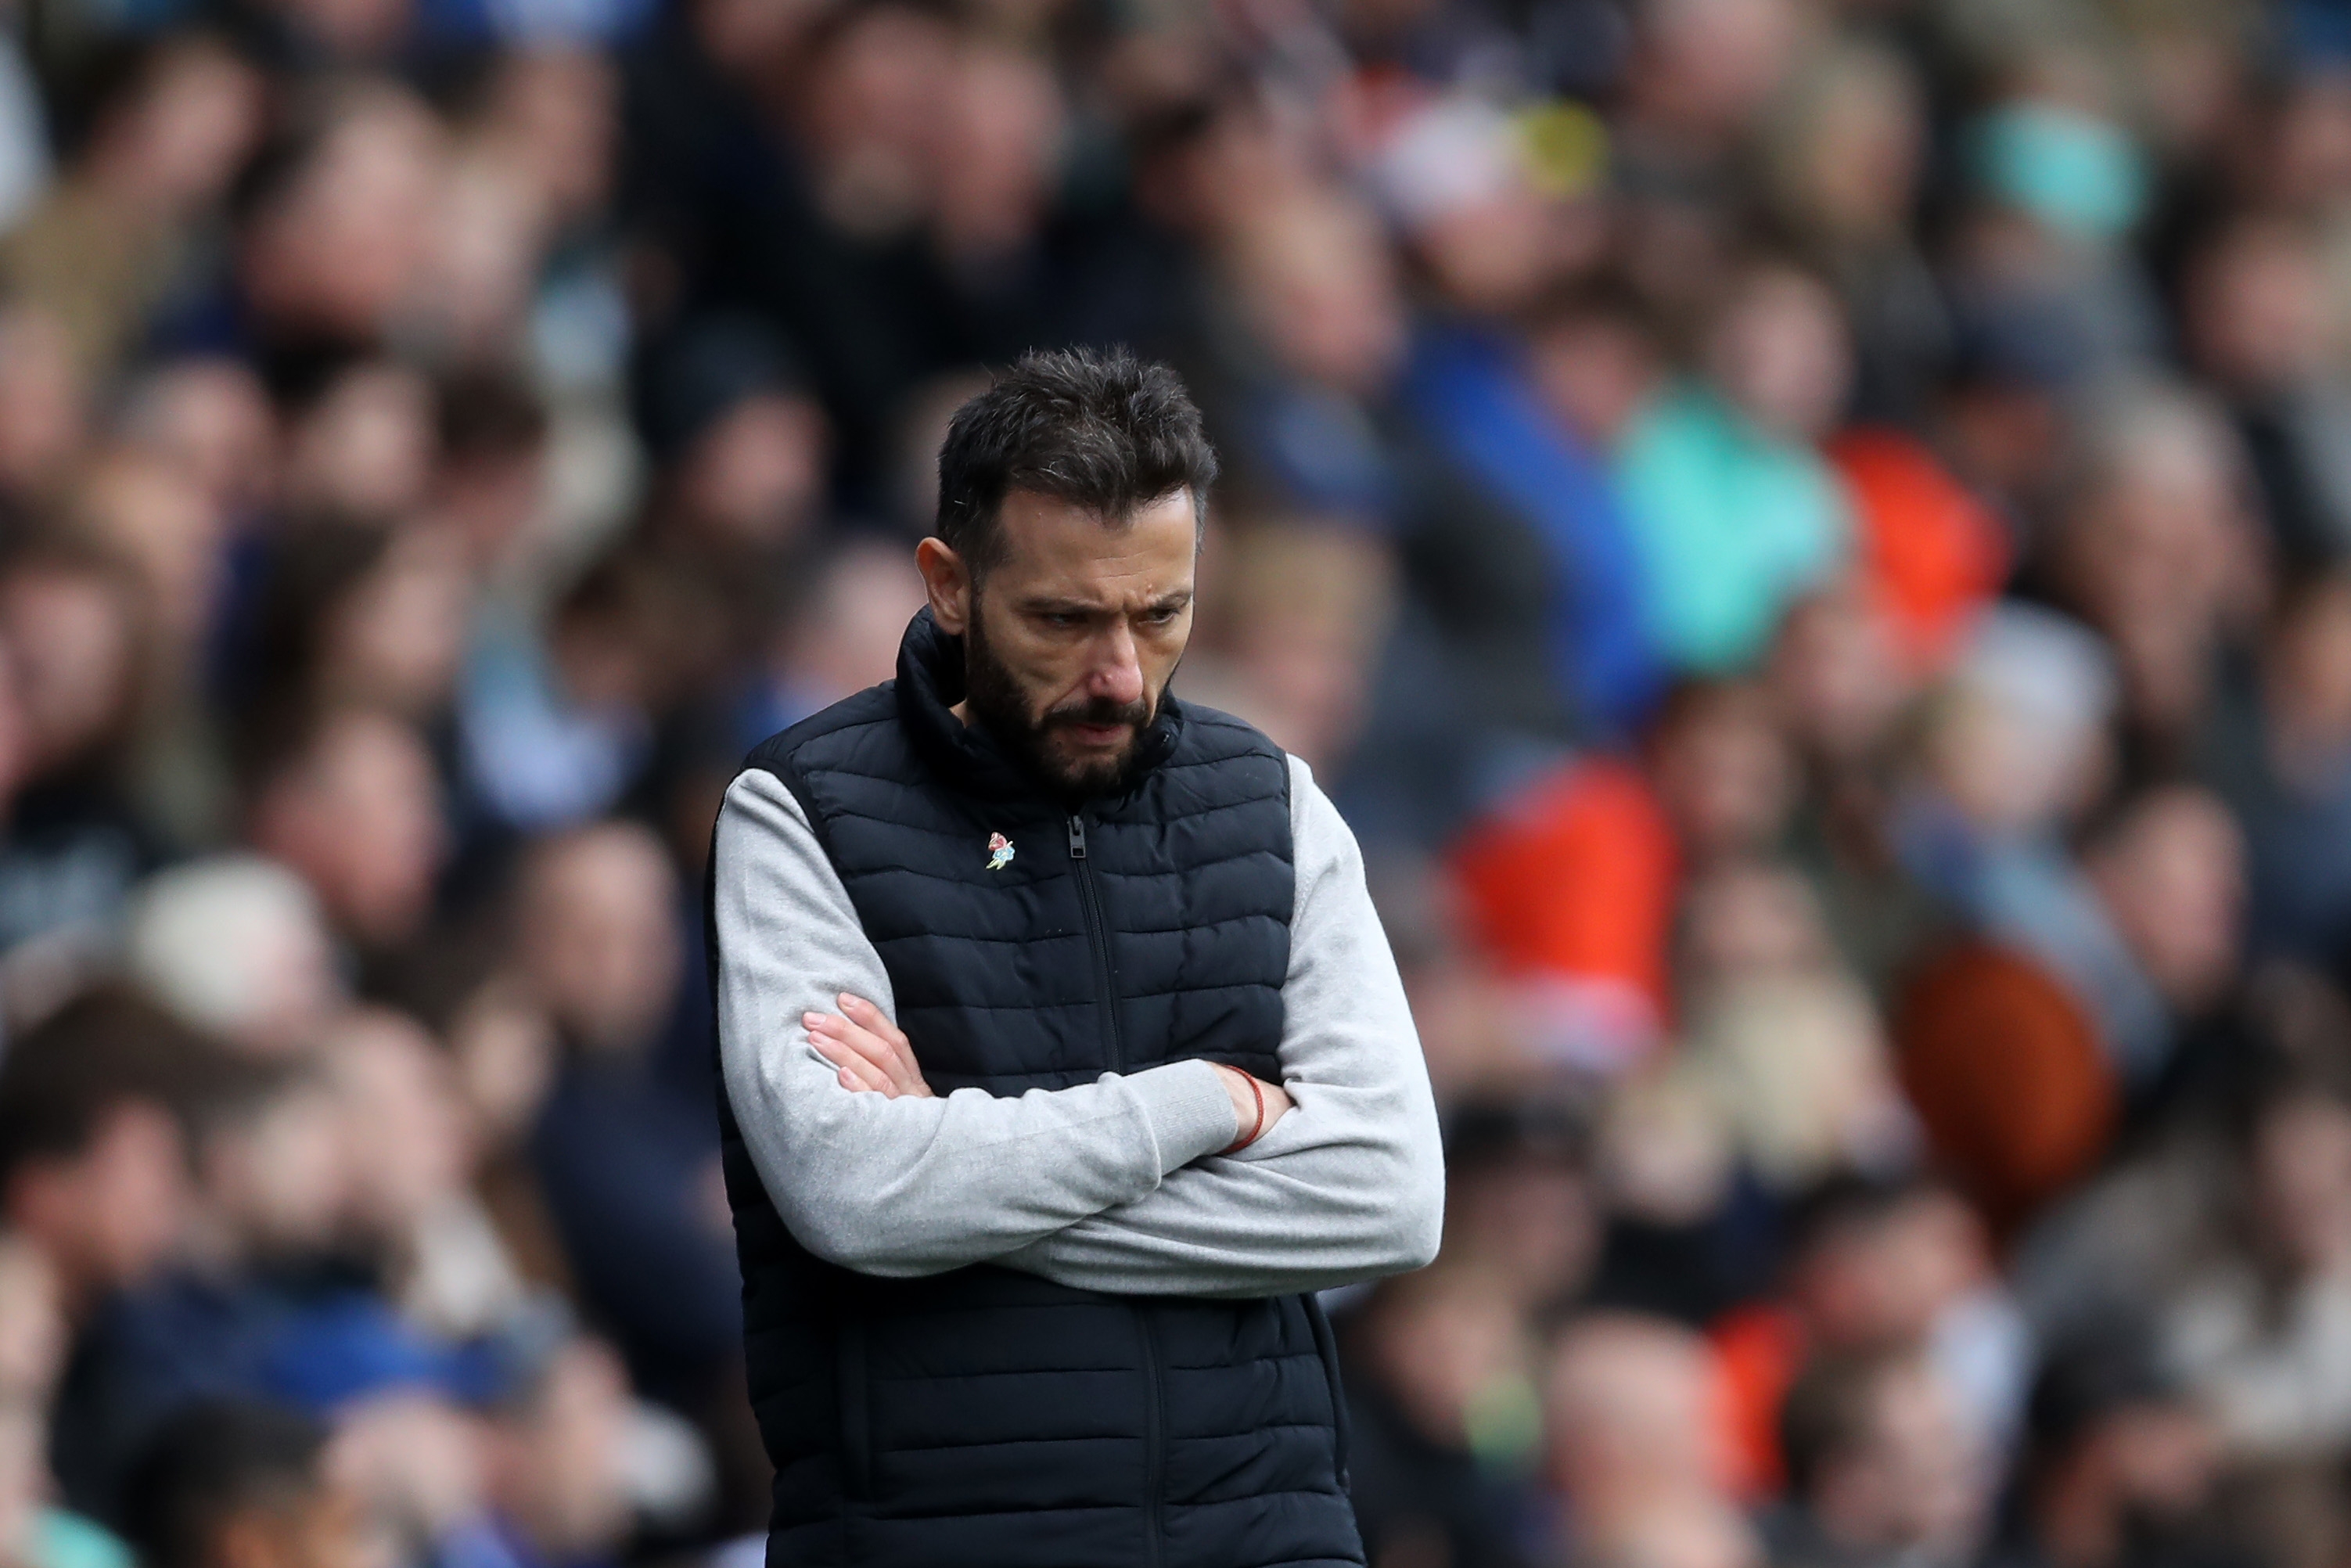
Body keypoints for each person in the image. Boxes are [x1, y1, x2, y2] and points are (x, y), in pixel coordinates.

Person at [708, 347, 1444, 1566]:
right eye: (1061, 618)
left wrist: (965, 1175)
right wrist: (1201, 1104)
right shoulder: (795, 812)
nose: (1118, 673)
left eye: (1162, 614)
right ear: (948, 585)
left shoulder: (1274, 801)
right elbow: (856, 1195)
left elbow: (1387, 1198)